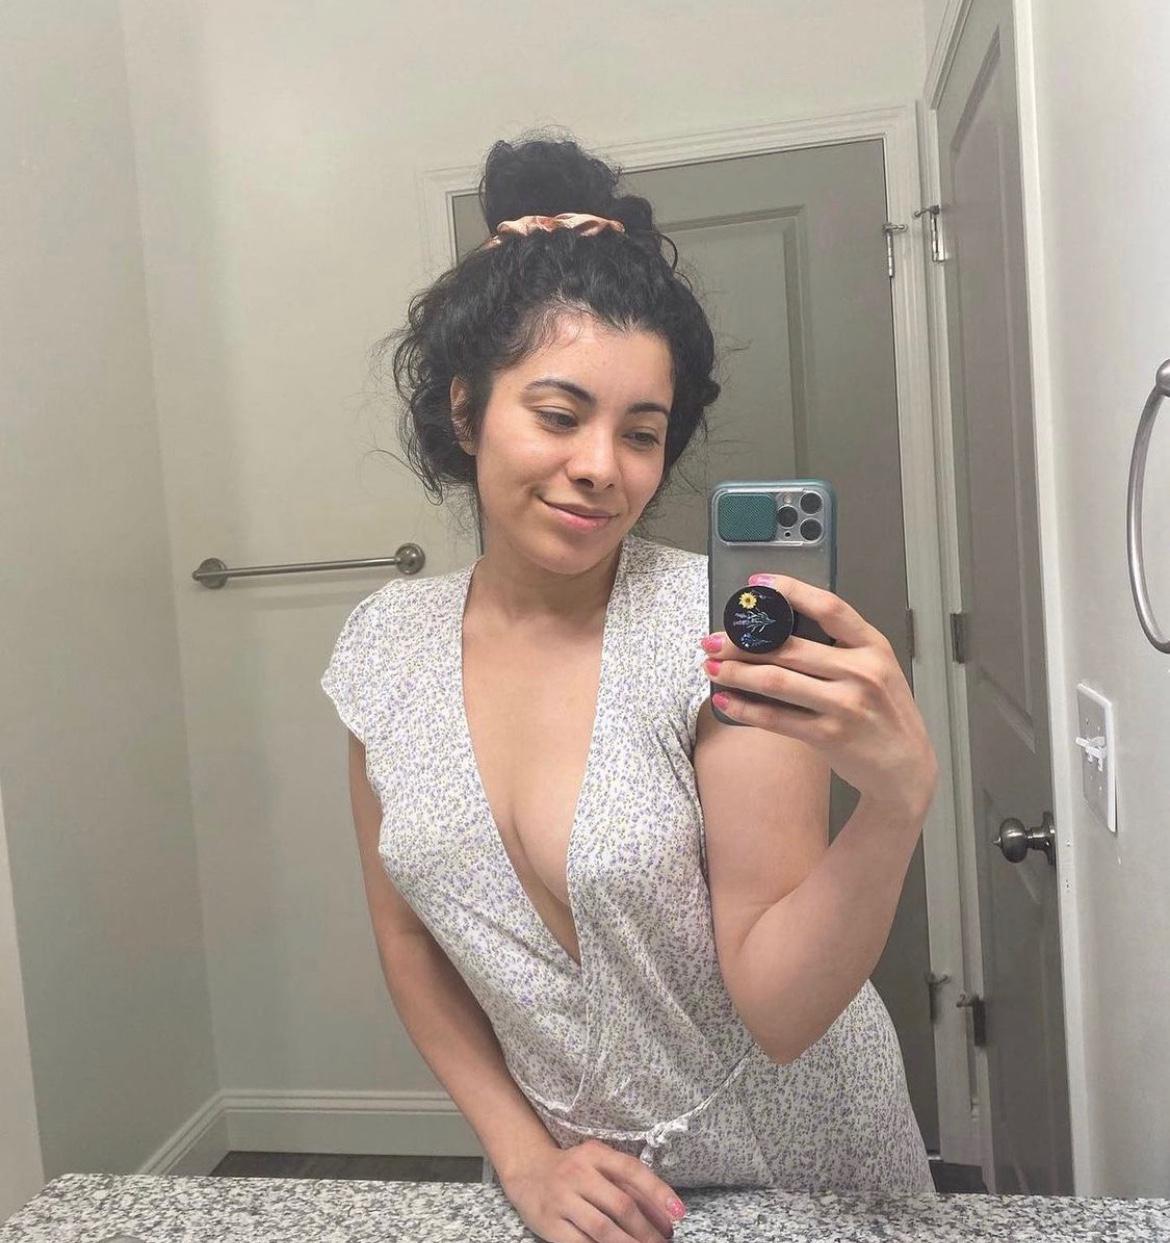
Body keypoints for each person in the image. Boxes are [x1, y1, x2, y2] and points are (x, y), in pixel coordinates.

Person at [321, 132, 940, 1243]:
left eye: (642, 432)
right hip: (574, 1186)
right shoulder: (382, 648)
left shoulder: (719, 634)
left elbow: (782, 1008)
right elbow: (409, 943)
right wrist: (523, 1158)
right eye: (559, 415)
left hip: (801, 1169)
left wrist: (895, 806)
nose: (603, 465)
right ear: (466, 412)